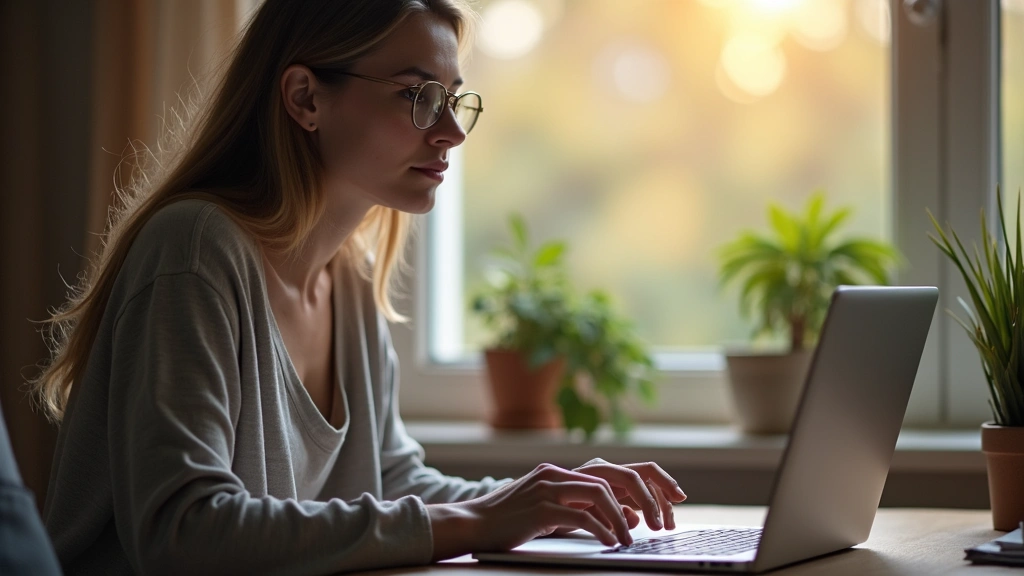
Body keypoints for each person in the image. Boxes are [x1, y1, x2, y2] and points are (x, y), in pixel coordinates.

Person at [34, 1, 687, 574]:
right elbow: (183, 532)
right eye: (417, 95)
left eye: (454, 98)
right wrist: (481, 523)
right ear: (305, 98)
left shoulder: (349, 278)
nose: (452, 133)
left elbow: (392, 480)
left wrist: (551, 500)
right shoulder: (195, 250)